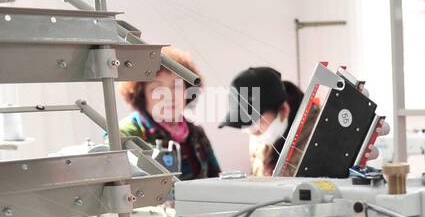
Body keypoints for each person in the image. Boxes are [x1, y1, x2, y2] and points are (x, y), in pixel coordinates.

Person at [117, 47, 219, 181]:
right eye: (157, 88)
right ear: (141, 95)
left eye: (176, 86)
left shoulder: (195, 131)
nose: (168, 96)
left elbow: (216, 178)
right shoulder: (126, 133)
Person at [220, 66, 304, 176]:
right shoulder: (258, 143)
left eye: (255, 122)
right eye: (243, 123)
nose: (250, 131)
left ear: (284, 110)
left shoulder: (316, 138)